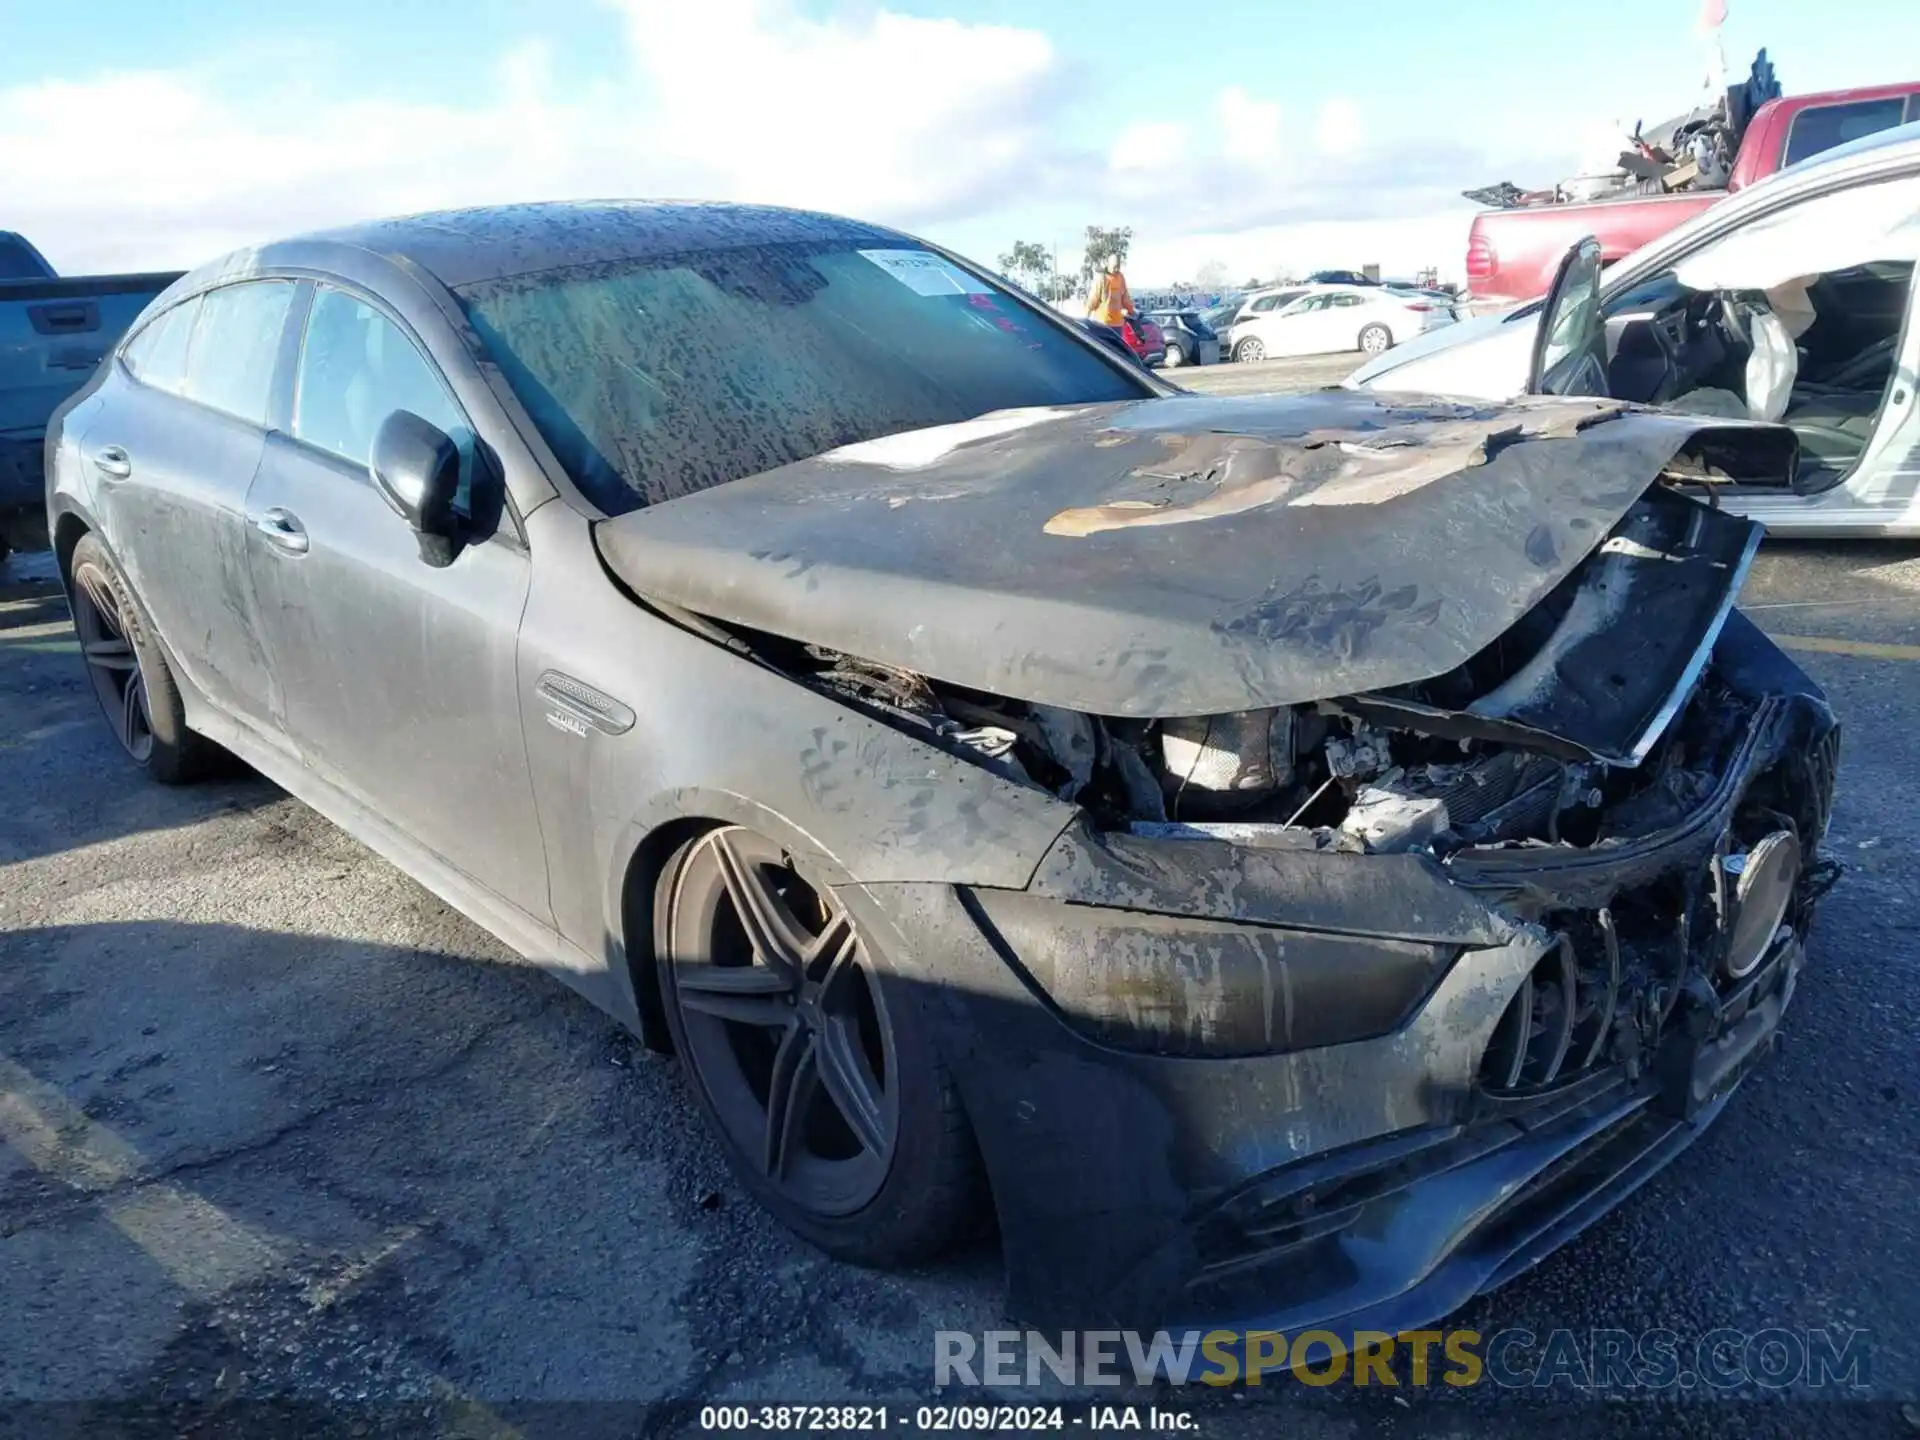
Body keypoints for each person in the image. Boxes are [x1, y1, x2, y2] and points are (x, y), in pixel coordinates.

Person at [1085, 256, 1134, 329]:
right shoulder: (1101, 278)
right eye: (1114, 267)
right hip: (1102, 323)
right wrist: (1086, 317)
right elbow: (1093, 299)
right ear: (1108, 264)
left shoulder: (1120, 277)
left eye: (1118, 266)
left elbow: (1125, 297)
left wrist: (1131, 310)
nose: (1117, 269)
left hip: (1117, 324)